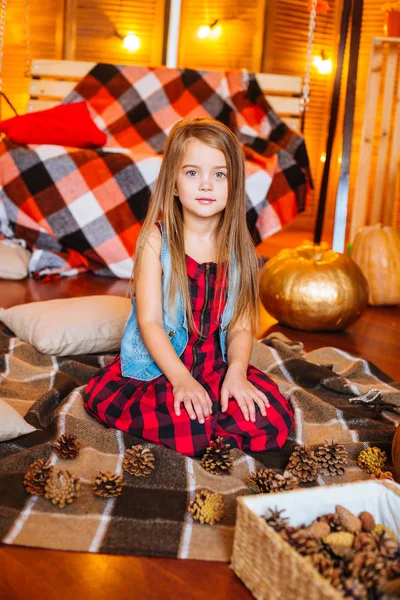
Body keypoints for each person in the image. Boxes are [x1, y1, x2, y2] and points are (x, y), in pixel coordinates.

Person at [84, 117, 294, 457]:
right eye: (193, 172)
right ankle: (203, 427)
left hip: (216, 365)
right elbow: (150, 322)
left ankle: (218, 421)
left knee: (268, 419)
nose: (206, 185)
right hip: (163, 366)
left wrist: (237, 374)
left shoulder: (238, 248)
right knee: (187, 427)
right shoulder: (157, 241)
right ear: (175, 184)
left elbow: (241, 326)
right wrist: (181, 380)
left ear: (233, 185)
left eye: (219, 174)